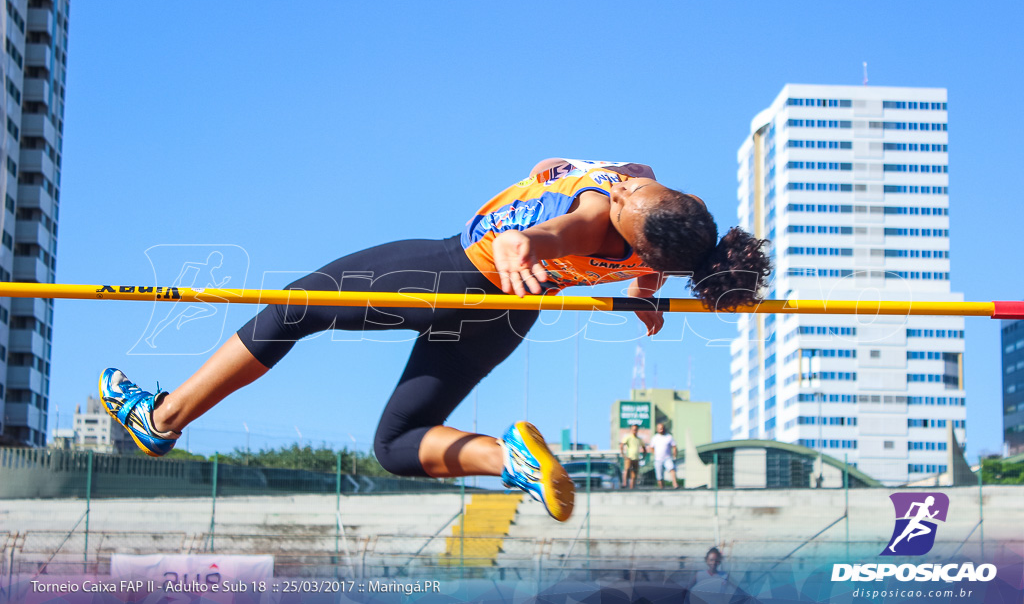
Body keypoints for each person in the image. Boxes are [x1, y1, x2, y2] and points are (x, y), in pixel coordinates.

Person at [98, 158, 771, 523]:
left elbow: (557, 234)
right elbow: (634, 226)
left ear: (626, 218)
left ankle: (161, 418)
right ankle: (508, 459)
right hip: (509, 315)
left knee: (290, 306)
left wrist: (521, 242)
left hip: (455, 274)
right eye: (631, 182)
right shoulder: (671, 236)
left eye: (625, 191)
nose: (624, 183)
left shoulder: (599, 216)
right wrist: (641, 291)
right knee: (395, 445)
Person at [650, 422, 679, 489]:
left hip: (667, 458)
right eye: (660, 428)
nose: (661, 430)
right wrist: (655, 454)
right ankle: (662, 488)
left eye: (662, 428)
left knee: (672, 468)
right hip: (658, 460)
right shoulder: (655, 438)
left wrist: (674, 456)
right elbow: (651, 447)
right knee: (659, 477)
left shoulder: (669, 437)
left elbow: (674, 447)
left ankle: (675, 484)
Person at [620, 423, 646, 489]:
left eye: (636, 429)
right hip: (629, 457)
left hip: (636, 458)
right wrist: (623, 454)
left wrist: (643, 456)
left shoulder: (639, 439)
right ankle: (624, 483)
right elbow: (622, 445)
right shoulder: (628, 437)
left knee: (634, 472)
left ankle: (632, 486)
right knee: (626, 470)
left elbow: (644, 448)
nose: (635, 430)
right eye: (633, 429)